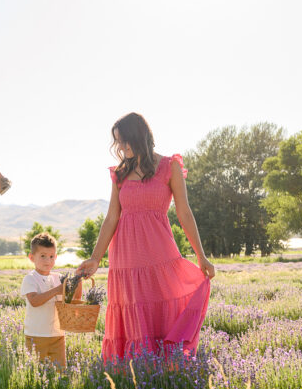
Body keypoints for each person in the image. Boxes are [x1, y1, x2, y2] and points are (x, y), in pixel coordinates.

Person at [76, 112, 216, 362]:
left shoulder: (169, 166)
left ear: (137, 137)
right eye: (117, 142)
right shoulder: (119, 174)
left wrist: (201, 256)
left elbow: (184, 213)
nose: (119, 147)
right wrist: (95, 258)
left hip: (158, 252)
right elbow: (111, 218)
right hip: (126, 257)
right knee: (133, 309)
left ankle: (165, 368)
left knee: (160, 305)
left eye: (123, 140)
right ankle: (134, 372)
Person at [20, 232, 81, 367]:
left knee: (60, 373)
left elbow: (74, 300)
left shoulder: (58, 278)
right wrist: (57, 290)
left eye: (51, 256)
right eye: (43, 256)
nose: (48, 261)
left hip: (58, 335)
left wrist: (78, 280)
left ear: (56, 257)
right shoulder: (30, 279)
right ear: (31, 258)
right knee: (36, 373)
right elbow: (34, 301)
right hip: (36, 335)